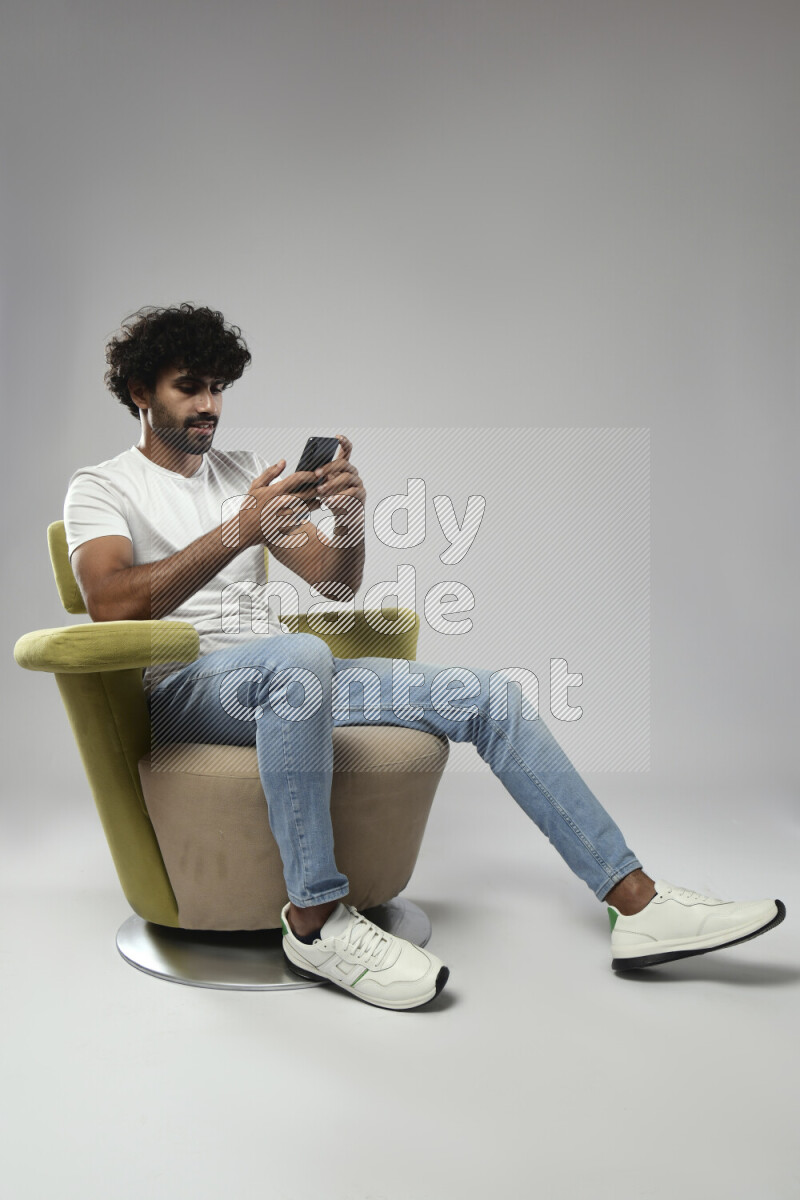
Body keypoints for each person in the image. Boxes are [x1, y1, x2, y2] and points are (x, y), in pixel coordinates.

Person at [63, 303, 786, 1012]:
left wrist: (348, 520)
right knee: (298, 659)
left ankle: (636, 902)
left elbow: (337, 582)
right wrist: (237, 532)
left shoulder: (243, 471)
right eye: (189, 387)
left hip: (289, 677)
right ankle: (315, 922)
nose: (209, 405)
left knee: (487, 695)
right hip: (188, 689)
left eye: (218, 388)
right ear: (139, 392)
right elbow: (112, 602)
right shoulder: (103, 487)